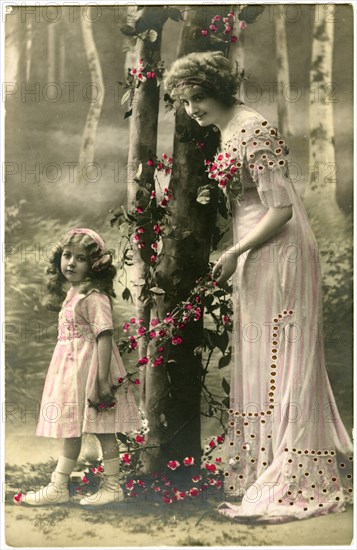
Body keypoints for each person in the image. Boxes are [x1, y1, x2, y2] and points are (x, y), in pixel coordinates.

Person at [164, 51, 353, 522]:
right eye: (186, 102)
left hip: (280, 249)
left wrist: (233, 251)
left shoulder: (252, 127)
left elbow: (282, 208)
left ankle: (294, 473)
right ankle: (266, 463)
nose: (193, 110)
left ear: (222, 90)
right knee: (263, 353)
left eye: (200, 98)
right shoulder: (225, 130)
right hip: (254, 248)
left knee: (281, 355)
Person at [23, 228, 141, 507]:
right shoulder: (73, 293)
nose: (71, 263)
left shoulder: (95, 296)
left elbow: (104, 337)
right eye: (67, 256)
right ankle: (58, 487)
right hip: (71, 369)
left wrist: (101, 382)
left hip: (92, 369)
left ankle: (113, 487)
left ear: (95, 265)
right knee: (70, 429)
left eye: (81, 258)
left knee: (102, 428)